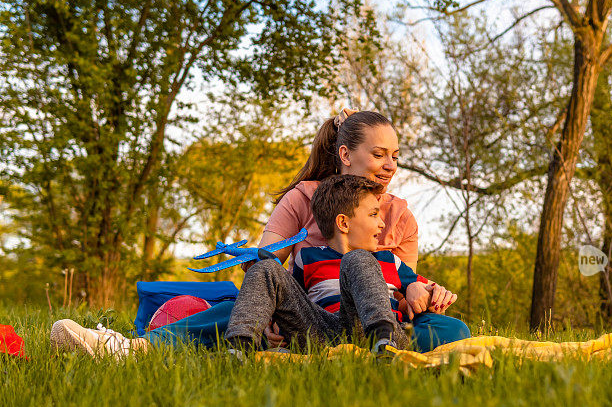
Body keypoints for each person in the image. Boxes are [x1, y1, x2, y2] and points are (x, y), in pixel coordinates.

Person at [50, 110, 470, 355]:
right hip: (306, 317)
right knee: (237, 305)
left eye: (395, 156)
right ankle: (135, 348)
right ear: (345, 154)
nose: (391, 165)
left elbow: (402, 284)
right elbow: (265, 264)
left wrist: (421, 291)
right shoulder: (303, 198)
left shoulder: (399, 215)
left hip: (373, 318)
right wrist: (268, 312)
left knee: (452, 330)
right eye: (379, 155)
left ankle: (386, 348)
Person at [225, 174, 460, 354]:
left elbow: (425, 295)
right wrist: (272, 321)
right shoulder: (307, 258)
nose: (381, 224)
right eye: (373, 215)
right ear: (343, 223)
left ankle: (383, 344)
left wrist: (426, 294)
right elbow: (289, 298)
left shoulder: (389, 260)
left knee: (358, 259)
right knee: (265, 267)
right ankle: (239, 347)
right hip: (321, 331)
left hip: (374, 331)